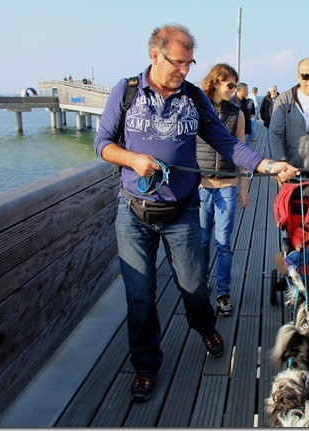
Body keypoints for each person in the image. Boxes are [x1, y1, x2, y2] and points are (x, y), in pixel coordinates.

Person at [94, 23, 298, 403]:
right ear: (155, 55)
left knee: (194, 288)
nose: (185, 71)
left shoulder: (192, 98)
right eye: (178, 62)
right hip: (134, 212)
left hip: (183, 210)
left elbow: (226, 143)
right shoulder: (126, 92)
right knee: (139, 296)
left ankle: (204, 327)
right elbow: (102, 143)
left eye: (190, 63)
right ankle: (145, 366)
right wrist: (132, 159)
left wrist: (267, 166)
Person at [196, 63, 249, 317]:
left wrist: (244, 186)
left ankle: (223, 292)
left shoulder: (237, 113)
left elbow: (241, 149)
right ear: (216, 82)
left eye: (235, 86)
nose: (233, 90)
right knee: (204, 240)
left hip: (227, 183)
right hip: (201, 185)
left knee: (224, 242)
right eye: (230, 85)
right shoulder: (197, 107)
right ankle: (203, 282)